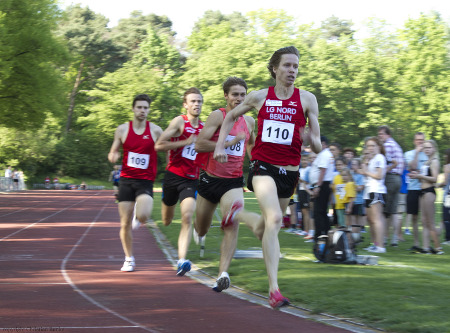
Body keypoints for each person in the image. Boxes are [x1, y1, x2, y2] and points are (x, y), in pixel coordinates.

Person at [213, 46, 322, 308]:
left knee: (267, 228)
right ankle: (273, 289)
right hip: (263, 167)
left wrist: (311, 139)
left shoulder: (307, 99)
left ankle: (238, 215)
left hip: (290, 173)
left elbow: (318, 145)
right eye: (287, 65)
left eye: (296, 66)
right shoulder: (260, 97)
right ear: (275, 68)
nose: (292, 71)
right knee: (274, 218)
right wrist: (219, 146)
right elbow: (229, 116)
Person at [194, 76, 262, 292]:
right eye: (235, 94)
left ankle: (222, 274)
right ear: (226, 96)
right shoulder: (217, 115)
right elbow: (199, 144)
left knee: (232, 222)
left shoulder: (249, 122)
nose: (239, 99)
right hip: (209, 179)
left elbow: (251, 147)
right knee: (201, 227)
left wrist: (258, 166)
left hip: (232, 181)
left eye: (243, 95)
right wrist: (226, 143)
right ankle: (199, 232)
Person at [108, 94, 163, 272]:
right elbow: (113, 151)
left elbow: (167, 147)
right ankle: (129, 258)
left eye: (146, 108)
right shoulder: (123, 129)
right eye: (139, 107)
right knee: (124, 224)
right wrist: (113, 156)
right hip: (126, 180)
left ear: (149, 110)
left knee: (144, 215)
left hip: (145, 181)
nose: (142, 111)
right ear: (133, 109)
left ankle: (138, 217)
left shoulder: (155, 130)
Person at [155, 87, 204, 276]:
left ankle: (182, 260)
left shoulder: (205, 127)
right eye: (192, 101)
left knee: (187, 216)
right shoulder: (179, 122)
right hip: (172, 177)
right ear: (185, 105)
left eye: (199, 101)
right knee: (167, 220)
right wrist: (185, 142)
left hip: (191, 180)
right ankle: (165, 211)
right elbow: (159, 145)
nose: (196, 104)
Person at [409, 140, 443, 254]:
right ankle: (426, 247)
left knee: (430, 221)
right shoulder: (426, 162)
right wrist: (416, 176)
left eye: (429, 147)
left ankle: (438, 248)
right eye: (425, 148)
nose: (427, 149)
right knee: (423, 221)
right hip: (422, 191)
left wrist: (420, 175)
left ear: (434, 149)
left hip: (429, 192)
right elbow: (423, 177)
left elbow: (435, 179)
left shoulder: (434, 161)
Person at [377, 125, 404, 247]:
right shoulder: (396, 145)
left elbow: (387, 163)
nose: (380, 136)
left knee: (383, 210)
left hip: (390, 178)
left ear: (388, 135)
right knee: (393, 211)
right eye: (379, 134)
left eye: (382, 134)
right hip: (398, 179)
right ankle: (394, 239)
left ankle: (383, 237)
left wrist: (384, 170)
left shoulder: (387, 145)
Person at [360, 137, 387, 254]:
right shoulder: (371, 159)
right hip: (368, 191)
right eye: (368, 146)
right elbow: (365, 173)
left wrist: (366, 171)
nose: (370, 148)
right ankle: (374, 244)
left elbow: (379, 175)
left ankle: (381, 246)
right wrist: (365, 164)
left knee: (376, 219)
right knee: (370, 220)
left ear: (378, 147)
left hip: (377, 190)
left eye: (373, 146)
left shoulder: (380, 157)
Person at [403, 132, 427, 251]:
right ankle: (416, 243)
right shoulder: (408, 154)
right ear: (414, 141)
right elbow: (412, 167)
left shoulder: (428, 154)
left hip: (425, 189)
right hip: (413, 189)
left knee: (425, 218)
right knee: (414, 218)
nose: (420, 142)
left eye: (422, 140)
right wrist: (417, 152)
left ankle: (426, 244)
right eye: (418, 140)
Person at [309, 136, 334, 239]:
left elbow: (322, 171)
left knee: (319, 211)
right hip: (323, 184)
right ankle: (325, 232)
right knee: (321, 210)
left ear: (323, 144)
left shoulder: (324, 155)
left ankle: (320, 234)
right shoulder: (325, 154)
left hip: (322, 185)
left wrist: (317, 186)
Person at [437, 148, 450, 245]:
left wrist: (437, 185)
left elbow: (445, 182)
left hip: (448, 195)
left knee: (446, 217)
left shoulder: (447, 166)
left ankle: (447, 239)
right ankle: (438, 233)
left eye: (445, 155)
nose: (444, 156)